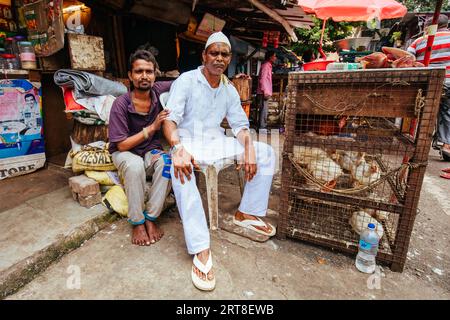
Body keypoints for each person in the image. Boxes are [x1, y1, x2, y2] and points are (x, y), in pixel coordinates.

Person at [163, 32, 276, 291]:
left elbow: (239, 124)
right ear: (204, 56)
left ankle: (246, 212)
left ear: (229, 59)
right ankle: (201, 247)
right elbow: (170, 120)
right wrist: (178, 147)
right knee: (182, 170)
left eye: (224, 54)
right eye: (214, 53)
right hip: (188, 141)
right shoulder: (186, 81)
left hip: (214, 140)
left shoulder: (228, 88)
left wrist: (247, 147)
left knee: (266, 153)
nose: (219, 58)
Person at [108, 49, 172, 246]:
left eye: (149, 71)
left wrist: (221, 78)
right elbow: (122, 144)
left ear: (155, 74)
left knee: (168, 162)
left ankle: (151, 218)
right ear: (130, 75)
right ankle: (137, 222)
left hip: (148, 152)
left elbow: (187, 80)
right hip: (124, 153)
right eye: (138, 71)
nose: (144, 76)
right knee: (135, 166)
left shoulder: (158, 91)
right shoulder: (120, 104)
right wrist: (152, 128)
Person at [407, 14, 450, 179]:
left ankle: (418, 144)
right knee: (446, 112)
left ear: (428, 27)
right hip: (448, 82)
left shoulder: (420, 41)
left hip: (428, 84)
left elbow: (408, 59)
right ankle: (447, 145)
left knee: (422, 113)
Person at [257, 50, 276, 130]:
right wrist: (265, 91)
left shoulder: (268, 65)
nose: (275, 58)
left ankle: (262, 127)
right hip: (263, 92)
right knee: (263, 110)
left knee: (263, 110)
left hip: (264, 91)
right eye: (274, 56)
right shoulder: (266, 66)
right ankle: (262, 128)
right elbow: (263, 79)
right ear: (270, 57)